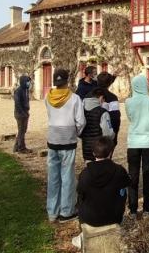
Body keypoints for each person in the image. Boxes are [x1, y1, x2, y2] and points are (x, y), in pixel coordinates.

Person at [72, 137, 130, 249]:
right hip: (114, 217)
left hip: (90, 218)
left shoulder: (85, 173)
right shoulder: (119, 170)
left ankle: (83, 234)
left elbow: (80, 193)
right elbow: (128, 182)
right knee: (122, 188)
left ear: (93, 153)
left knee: (81, 195)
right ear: (111, 152)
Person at [45, 68, 86, 222]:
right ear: (67, 81)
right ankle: (66, 211)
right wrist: (76, 133)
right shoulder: (75, 98)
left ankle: (52, 211)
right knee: (67, 176)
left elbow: (50, 116)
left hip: (53, 139)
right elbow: (81, 121)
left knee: (53, 176)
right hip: (68, 140)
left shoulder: (47, 97)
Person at [124, 74, 149, 217]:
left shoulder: (128, 102)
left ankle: (133, 209)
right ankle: (147, 208)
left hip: (133, 142)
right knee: (148, 175)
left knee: (132, 176)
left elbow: (130, 118)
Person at [80, 88, 111, 163]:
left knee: (90, 171)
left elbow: (79, 128)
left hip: (86, 149)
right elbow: (108, 133)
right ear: (101, 98)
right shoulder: (103, 112)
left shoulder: (81, 110)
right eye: (104, 100)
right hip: (100, 149)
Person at [96, 72, 121, 153]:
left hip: (92, 134)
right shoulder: (112, 97)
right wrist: (114, 134)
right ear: (109, 83)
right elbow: (115, 118)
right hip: (107, 134)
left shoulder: (88, 96)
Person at [13, 74, 32, 153]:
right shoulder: (18, 91)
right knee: (22, 131)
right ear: (23, 82)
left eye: (29, 81)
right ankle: (21, 148)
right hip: (20, 114)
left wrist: (27, 111)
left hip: (25, 113)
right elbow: (17, 103)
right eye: (27, 81)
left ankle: (16, 147)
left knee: (22, 130)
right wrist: (23, 113)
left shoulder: (26, 90)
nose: (28, 83)